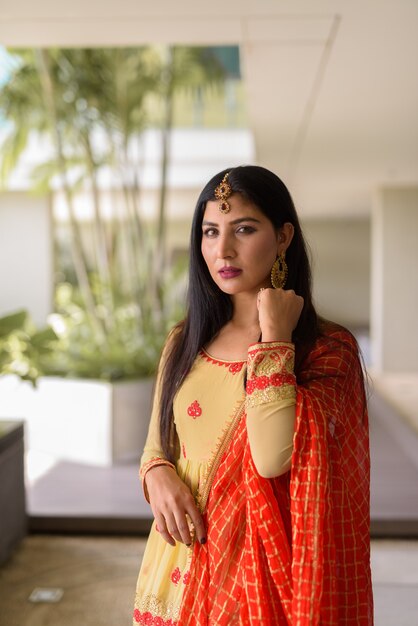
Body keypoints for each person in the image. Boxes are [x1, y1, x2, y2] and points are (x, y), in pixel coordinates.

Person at [132, 165, 373, 625]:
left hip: (265, 573)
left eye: (244, 229)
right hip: (180, 563)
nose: (222, 249)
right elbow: (157, 445)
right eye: (210, 231)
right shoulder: (182, 341)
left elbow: (270, 459)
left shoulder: (326, 350)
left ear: (283, 237)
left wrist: (275, 339)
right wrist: (157, 474)